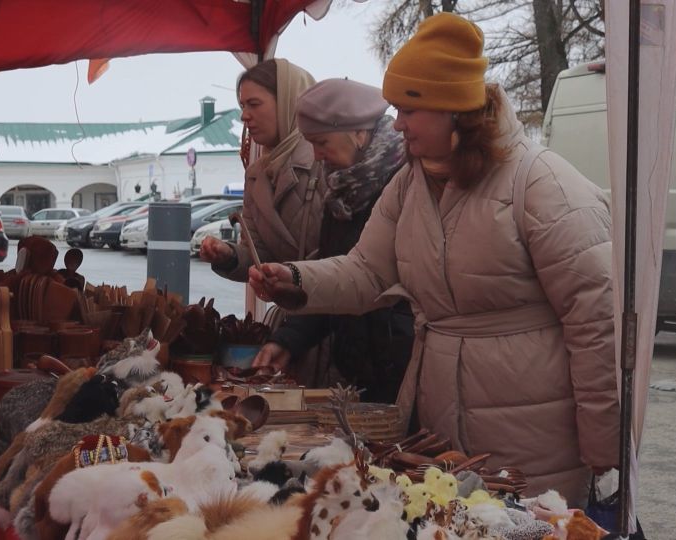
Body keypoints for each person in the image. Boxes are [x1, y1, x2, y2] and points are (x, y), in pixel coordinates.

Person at [248, 12, 619, 504]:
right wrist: (294, 279)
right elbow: (366, 271)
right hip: (444, 436)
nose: (395, 122)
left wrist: (603, 448)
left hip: (533, 444)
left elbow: (596, 322)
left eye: (408, 109)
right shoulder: (410, 184)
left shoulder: (541, 183)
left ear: (452, 109)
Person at [251, 78, 414, 403]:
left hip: (406, 375)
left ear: (359, 132)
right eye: (310, 143)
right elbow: (339, 279)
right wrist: (288, 340)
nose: (317, 155)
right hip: (361, 375)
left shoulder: (405, 184)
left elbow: (367, 282)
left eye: (322, 141)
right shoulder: (340, 193)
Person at [199, 58, 326, 282]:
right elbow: (260, 256)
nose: (244, 115)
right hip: (295, 312)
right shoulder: (256, 175)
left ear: (291, 102)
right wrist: (229, 255)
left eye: (254, 104)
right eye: (242, 106)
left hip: (347, 311)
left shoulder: (327, 162)